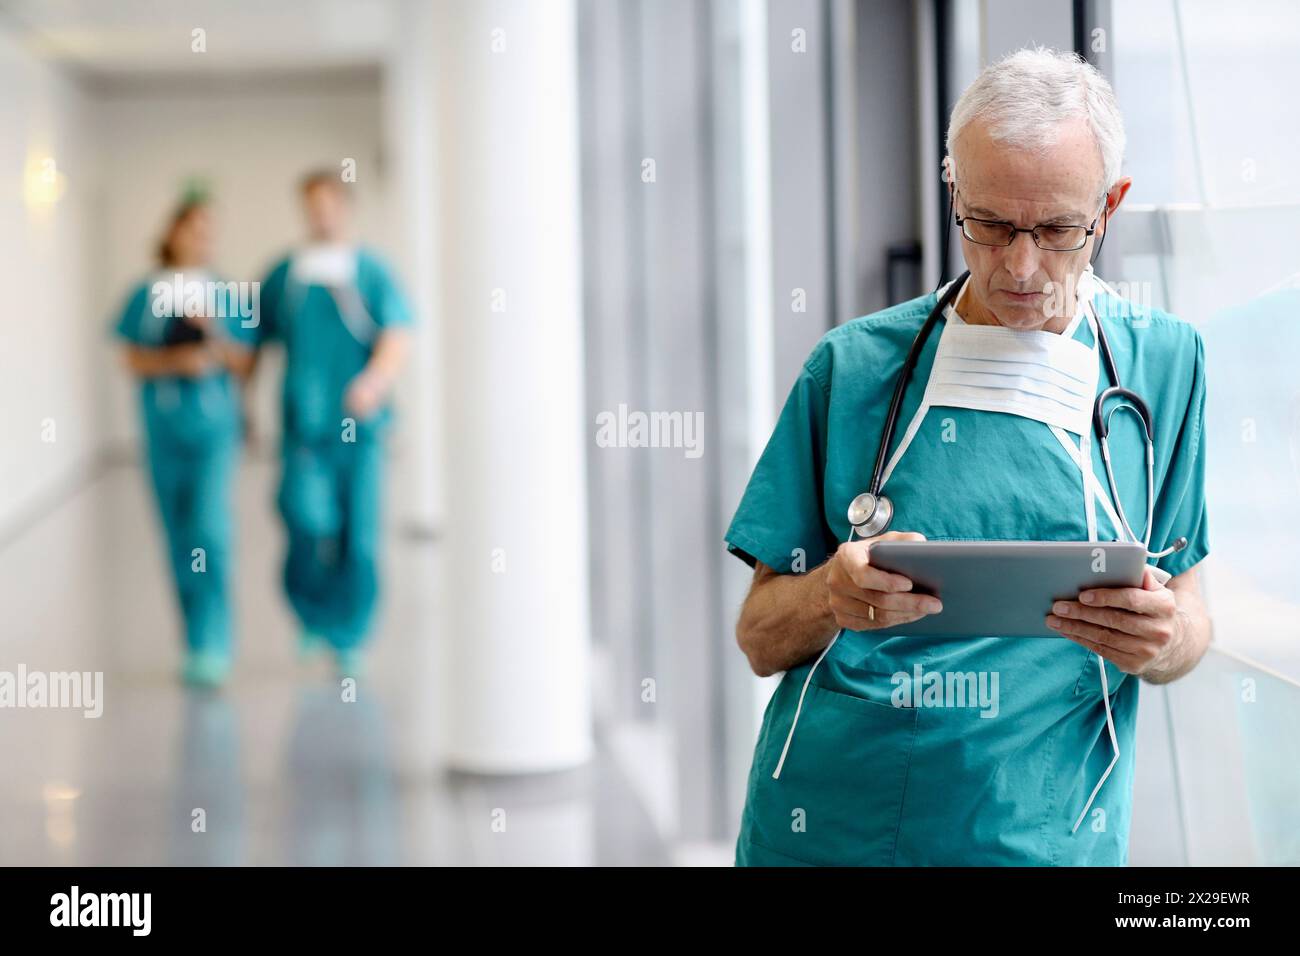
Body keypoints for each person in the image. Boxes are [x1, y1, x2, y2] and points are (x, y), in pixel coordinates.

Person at [725, 48, 1212, 866]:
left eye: (1057, 230)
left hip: (1041, 835)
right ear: (956, 193)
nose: (1020, 267)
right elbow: (759, 637)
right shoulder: (851, 370)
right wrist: (830, 598)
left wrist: (1162, 640)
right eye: (988, 224)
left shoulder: (1165, 368)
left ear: (1110, 207)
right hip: (833, 828)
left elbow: (1192, 617)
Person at [253, 171, 411, 678]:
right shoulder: (285, 275)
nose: (321, 214)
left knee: (359, 535)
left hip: (358, 428)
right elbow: (252, 341)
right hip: (304, 427)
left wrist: (374, 382)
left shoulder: (371, 272)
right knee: (303, 520)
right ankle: (311, 616)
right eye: (312, 205)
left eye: (329, 204)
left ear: (345, 206)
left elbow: (397, 333)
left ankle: (349, 633)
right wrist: (240, 406)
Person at [114, 198, 256, 687]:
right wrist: (175, 363)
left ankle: (217, 641)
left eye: (208, 231)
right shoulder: (144, 293)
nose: (200, 238)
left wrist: (211, 334)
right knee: (177, 535)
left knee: (210, 529)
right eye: (191, 228)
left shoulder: (227, 293)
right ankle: (195, 641)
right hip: (162, 430)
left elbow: (245, 365)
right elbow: (131, 360)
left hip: (215, 430)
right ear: (171, 232)